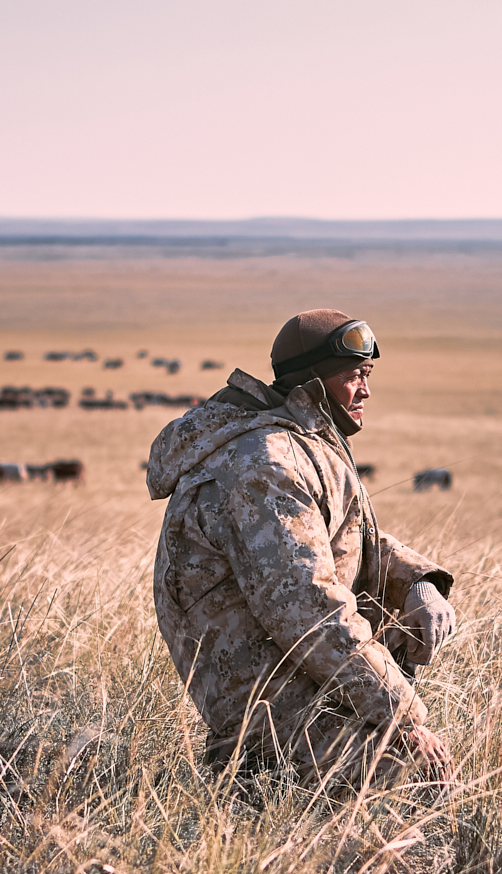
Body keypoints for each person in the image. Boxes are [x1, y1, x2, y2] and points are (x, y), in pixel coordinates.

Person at [146, 309, 458, 793]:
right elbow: (309, 609)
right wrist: (403, 717)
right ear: (314, 381)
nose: (365, 390)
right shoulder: (266, 463)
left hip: (293, 672)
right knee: (416, 776)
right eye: (354, 375)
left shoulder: (300, 440)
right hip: (266, 699)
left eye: (367, 375)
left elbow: (339, 537)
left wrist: (418, 583)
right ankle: (249, 778)